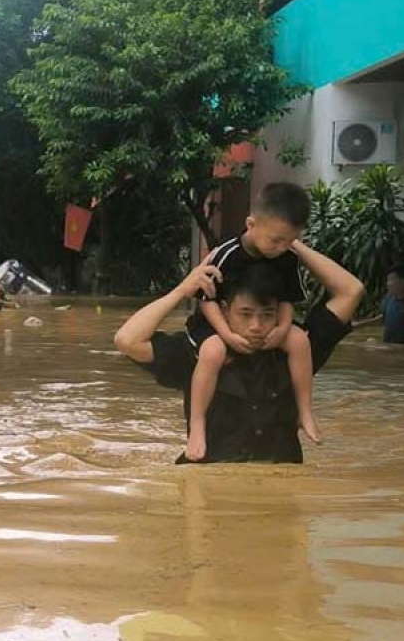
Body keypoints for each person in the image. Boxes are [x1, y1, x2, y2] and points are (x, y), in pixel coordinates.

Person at [114, 240, 364, 464]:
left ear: (279, 313)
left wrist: (287, 241)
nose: (256, 326)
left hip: (279, 496)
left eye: (267, 315)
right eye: (245, 314)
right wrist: (181, 291)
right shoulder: (197, 353)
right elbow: (127, 340)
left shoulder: (297, 353)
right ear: (224, 311)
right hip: (209, 487)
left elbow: (351, 290)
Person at [186, 182, 320, 455]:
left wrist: (282, 329)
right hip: (217, 322)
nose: (281, 247)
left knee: (299, 341)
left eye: (289, 241)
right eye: (275, 240)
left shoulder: (287, 257)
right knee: (212, 352)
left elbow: (287, 300)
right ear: (251, 224)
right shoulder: (226, 254)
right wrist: (227, 335)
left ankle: (305, 411)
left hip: (267, 321)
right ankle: (197, 424)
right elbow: (206, 301)